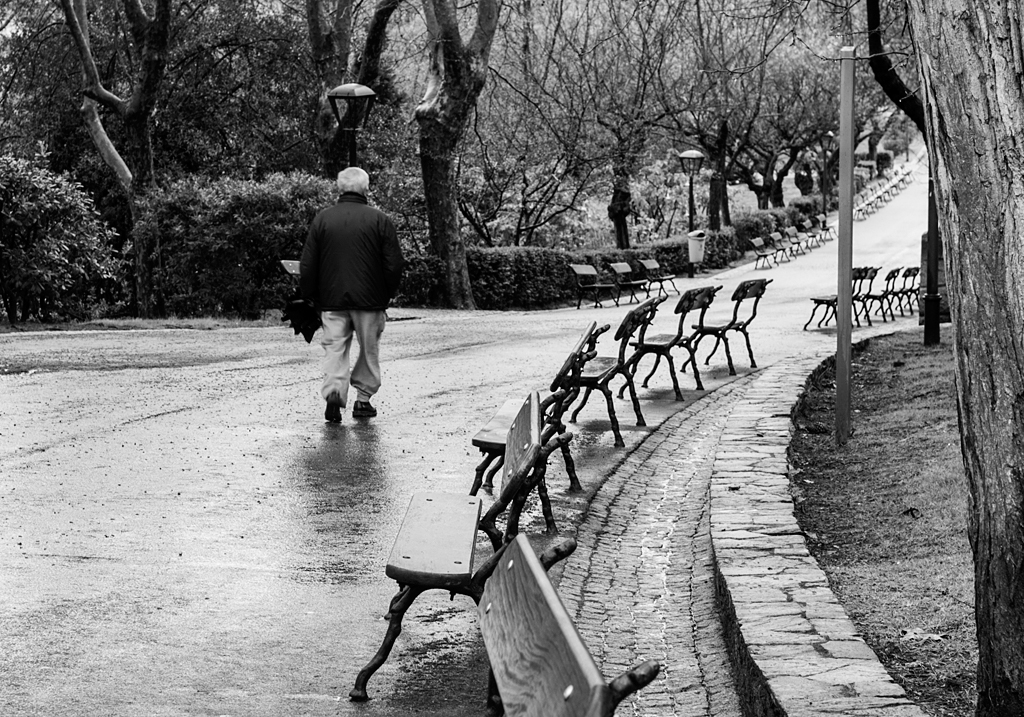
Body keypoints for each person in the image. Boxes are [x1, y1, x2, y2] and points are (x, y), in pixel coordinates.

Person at [299, 167, 404, 423]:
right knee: (369, 350)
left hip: (331, 299)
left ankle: (334, 393)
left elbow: (308, 263)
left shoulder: (323, 219)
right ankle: (363, 400)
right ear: (366, 189)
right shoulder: (380, 220)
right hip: (370, 301)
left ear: (339, 188)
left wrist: (309, 295)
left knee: (334, 347)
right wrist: (385, 295)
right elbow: (394, 264)